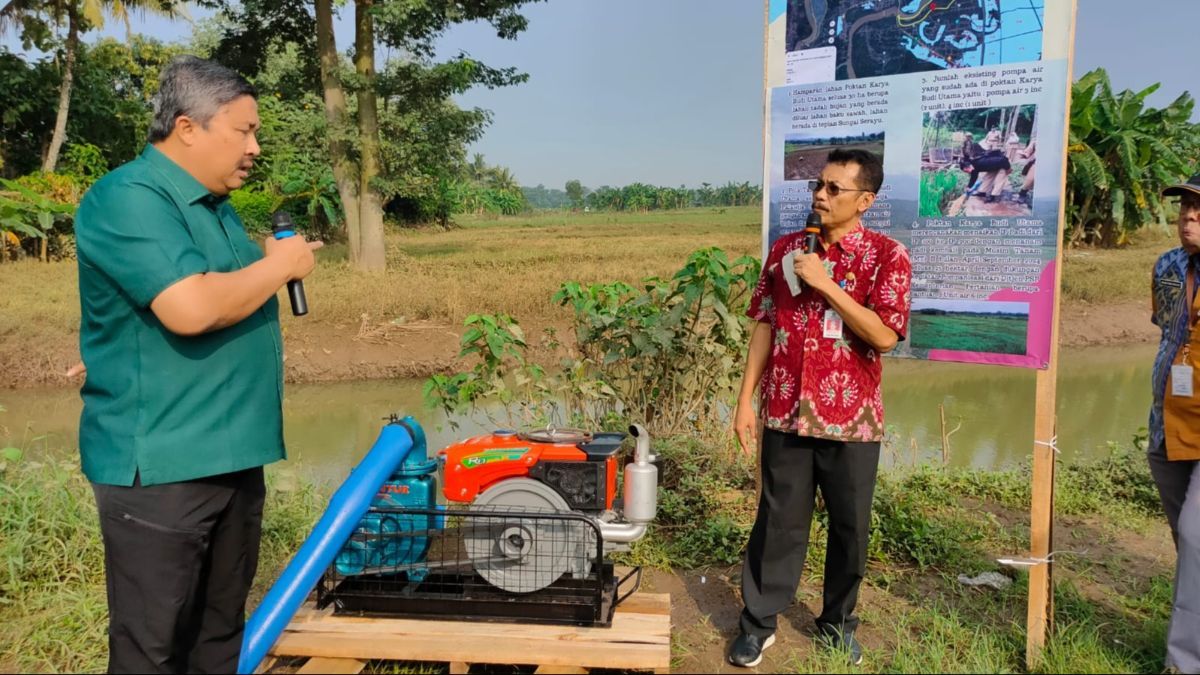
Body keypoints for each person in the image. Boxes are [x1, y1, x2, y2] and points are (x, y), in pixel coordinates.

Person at [72, 55, 321, 674]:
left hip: (233, 459)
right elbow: (189, 307)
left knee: (217, 641)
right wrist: (279, 267)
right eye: (244, 131)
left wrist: (264, 266)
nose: (256, 147)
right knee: (153, 651)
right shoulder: (126, 198)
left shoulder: (212, 205)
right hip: (164, 470)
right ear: (188, 127)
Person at [727, 149, 912, 668]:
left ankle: (837, 623)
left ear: (865, 201)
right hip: (785, 409)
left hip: (851, 419)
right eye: (818, 186)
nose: (820, 196)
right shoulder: (787, 248)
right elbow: (765, 322)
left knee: (850, 527)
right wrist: (746, 400)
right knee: (778, 520)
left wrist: (827, 283)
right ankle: (759, 622)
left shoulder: (886, 256)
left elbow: (884, 336)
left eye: (834, 189)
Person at [1149, 173, 1200, 674]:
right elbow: (1167, 334)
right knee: (1188, 542)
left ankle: (1184, 664)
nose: (1189, 215)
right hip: (1169, 420)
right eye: (1186, 205)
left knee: (1196, 535)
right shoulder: (1167, 266)